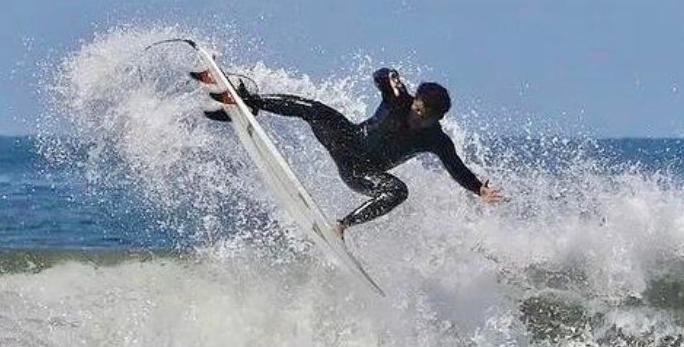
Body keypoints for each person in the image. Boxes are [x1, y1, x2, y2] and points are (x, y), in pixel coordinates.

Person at [203, 67, 502, 238]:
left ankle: (342, 225)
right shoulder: (398, 99)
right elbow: (380, 75)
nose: (417, 118)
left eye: (425, 117)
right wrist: (391, 75)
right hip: (347, 140)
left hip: (361, 172)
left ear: (437, 119)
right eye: (418, 109)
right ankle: (248, 103)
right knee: (315, 110)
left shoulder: (436, 139)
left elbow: (456, 168)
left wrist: (479, 189)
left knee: (398, 190)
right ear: (415, 101)